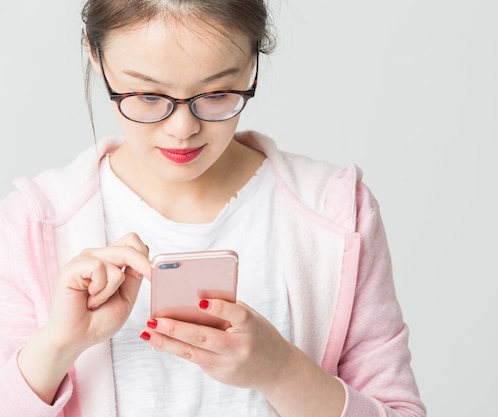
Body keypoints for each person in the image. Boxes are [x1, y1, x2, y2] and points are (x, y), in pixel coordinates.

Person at [0, 0, 426, 416]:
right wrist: (57, 345)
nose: (182, 130)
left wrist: (280, 370)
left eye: (217, 93)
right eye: (148, 96)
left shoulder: (335, 211)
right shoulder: (34, 221)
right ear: (96, 56)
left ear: (253, 61)